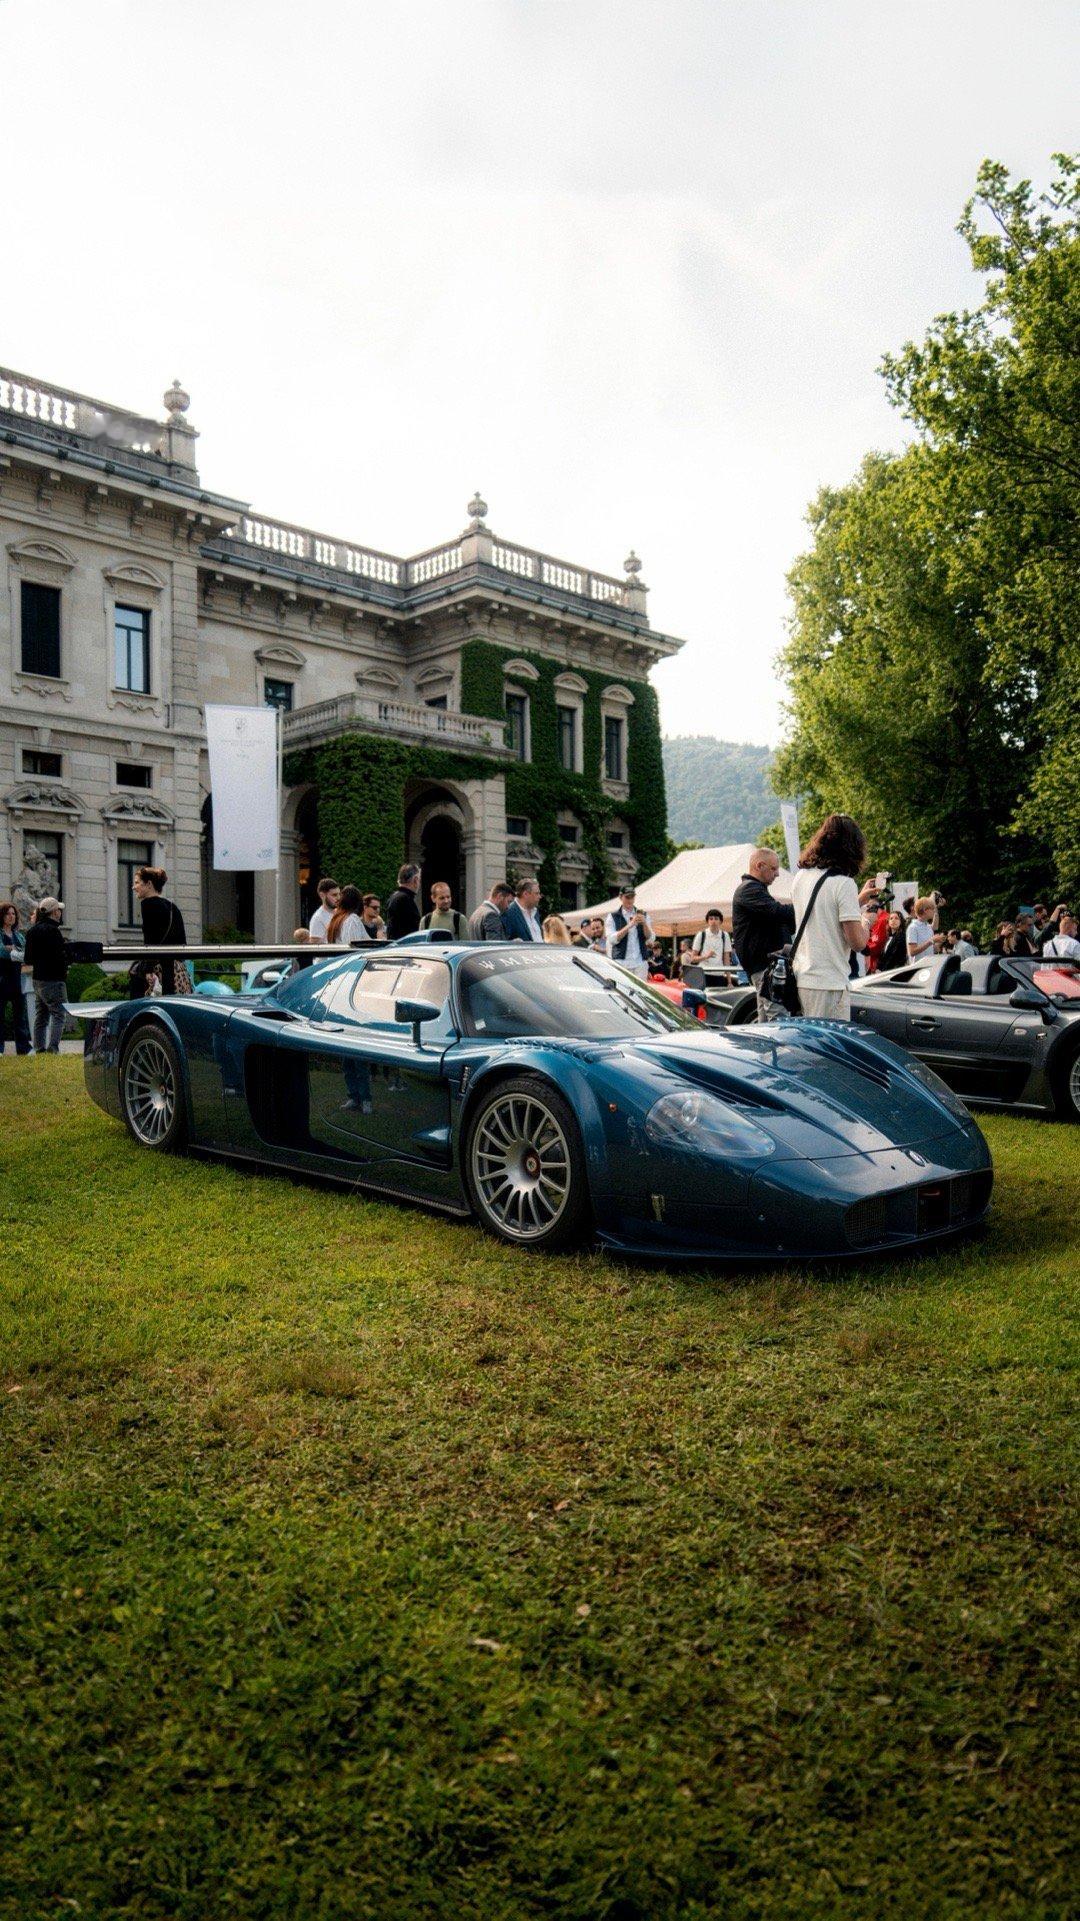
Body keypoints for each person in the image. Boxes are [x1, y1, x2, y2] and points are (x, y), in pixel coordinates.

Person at [790, 814, 876, 1021]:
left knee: (808, 1039)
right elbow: (857, 942)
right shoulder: (843, 883)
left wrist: (857, 900)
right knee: (829, 1042)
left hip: (802, 978)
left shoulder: (801, 877)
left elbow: (822, 914)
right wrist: (866, 920)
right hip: (830, 983)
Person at [731, 847, 797, 1022]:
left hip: (764, 966)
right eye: (773, 868)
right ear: (759, 866)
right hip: (764, 966)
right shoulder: (749, 890)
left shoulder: (753, 889)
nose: (777, 874)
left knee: (766, 1020)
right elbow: (778, 912)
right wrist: (804, 904)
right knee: (778, 1020)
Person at [132, 866, 189, 997]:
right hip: (177, 972)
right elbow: (182, 942)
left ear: (149, 884)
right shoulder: (172, 907)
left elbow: (150, 940)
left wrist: (148, 970)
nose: (134, 887)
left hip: (158, 972)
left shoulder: (148, 905)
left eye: (137, 883)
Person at [22, 896, 69, 1053]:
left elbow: (28, 959)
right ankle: (53, 1048)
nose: (60, 913)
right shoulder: (54, 931)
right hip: (54, 979)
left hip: (38, 979)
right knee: (59, 1014)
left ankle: (39, 1048)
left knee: (41, 1016)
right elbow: (60, 956)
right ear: (54, 912)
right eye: (59, 910)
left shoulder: (32, 931)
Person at [0, 902, 31, 1054]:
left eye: (13, 914)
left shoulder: (18, 936)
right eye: (8, 914)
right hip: (2, 979)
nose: (11, 916)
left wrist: (12, 951)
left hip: (17, 979)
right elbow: (1, 952)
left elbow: (27, 955)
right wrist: (14, 952)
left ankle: (23, 1049)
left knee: (20, 1016)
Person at [604, 886, 654, 978]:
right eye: (627, 897)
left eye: (632, 897)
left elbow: (650, 938)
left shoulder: (644, 915)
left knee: (640, 987)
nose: (630, 900)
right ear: (620, 897)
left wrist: (644, 924)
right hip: (621, 962)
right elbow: (612, 939)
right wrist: (629, 925)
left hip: (640, 963)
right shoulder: (612, 916)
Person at [385, 863, 421, 941]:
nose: (419, 884)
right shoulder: (405, 899)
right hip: (405, 945)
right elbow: (413, 931)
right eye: (419, 880)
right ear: (415, 880)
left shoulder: (393, 897)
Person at [502, 878, 544, 943]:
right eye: (536, 893)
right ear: (525, 894)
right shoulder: (509, 913)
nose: (539, 897)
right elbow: (505, 941)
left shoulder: (535, 912)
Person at [308, 877, 341, 942]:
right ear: (322, 895)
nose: (338, 898)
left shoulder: (341, 913)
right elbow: (315, 945)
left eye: (339, 894)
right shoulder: (318, 918)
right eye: (334, 895)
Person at [905, 898, 936, 964]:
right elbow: (912, 952)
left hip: (929, 966)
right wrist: (931, 941)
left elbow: (932, 949)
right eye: (932, 909)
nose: (934, 911)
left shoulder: (929, 927)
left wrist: (939, 941)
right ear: (925, 910)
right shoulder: (913, 928)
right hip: (918, 967)